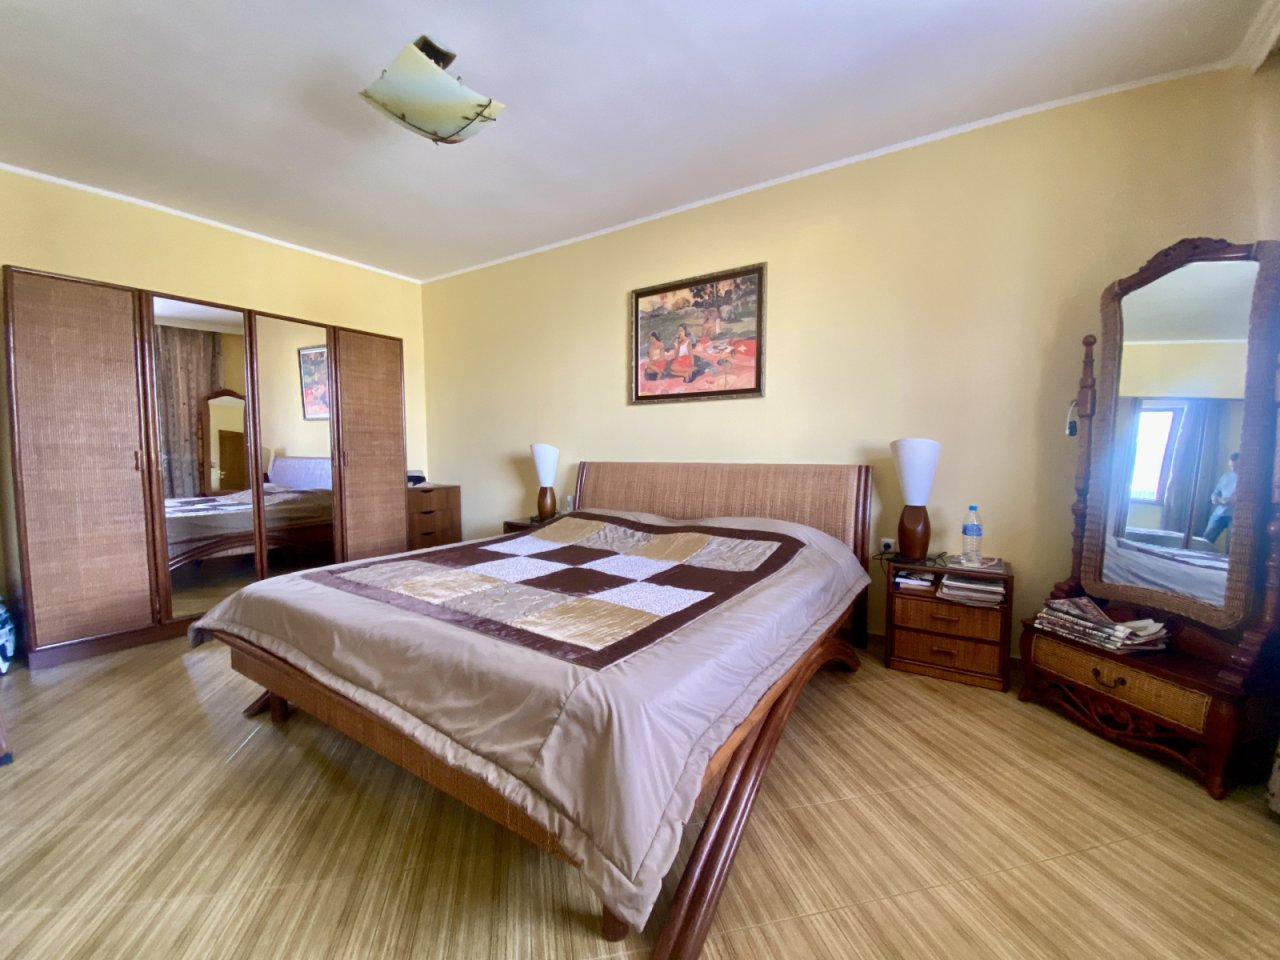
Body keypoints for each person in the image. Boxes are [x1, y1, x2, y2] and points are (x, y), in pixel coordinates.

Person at [1202, 452, 1239, 545]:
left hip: (1236, 515)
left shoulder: (1247, 479)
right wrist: (1216, 499)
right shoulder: (1226, 476)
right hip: (1220, 512)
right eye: (1231, 466)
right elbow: (1215, 492)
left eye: (1236, 466)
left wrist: (1232, 500)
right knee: (1205, 540)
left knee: (1233, 544)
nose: (1233, 469)